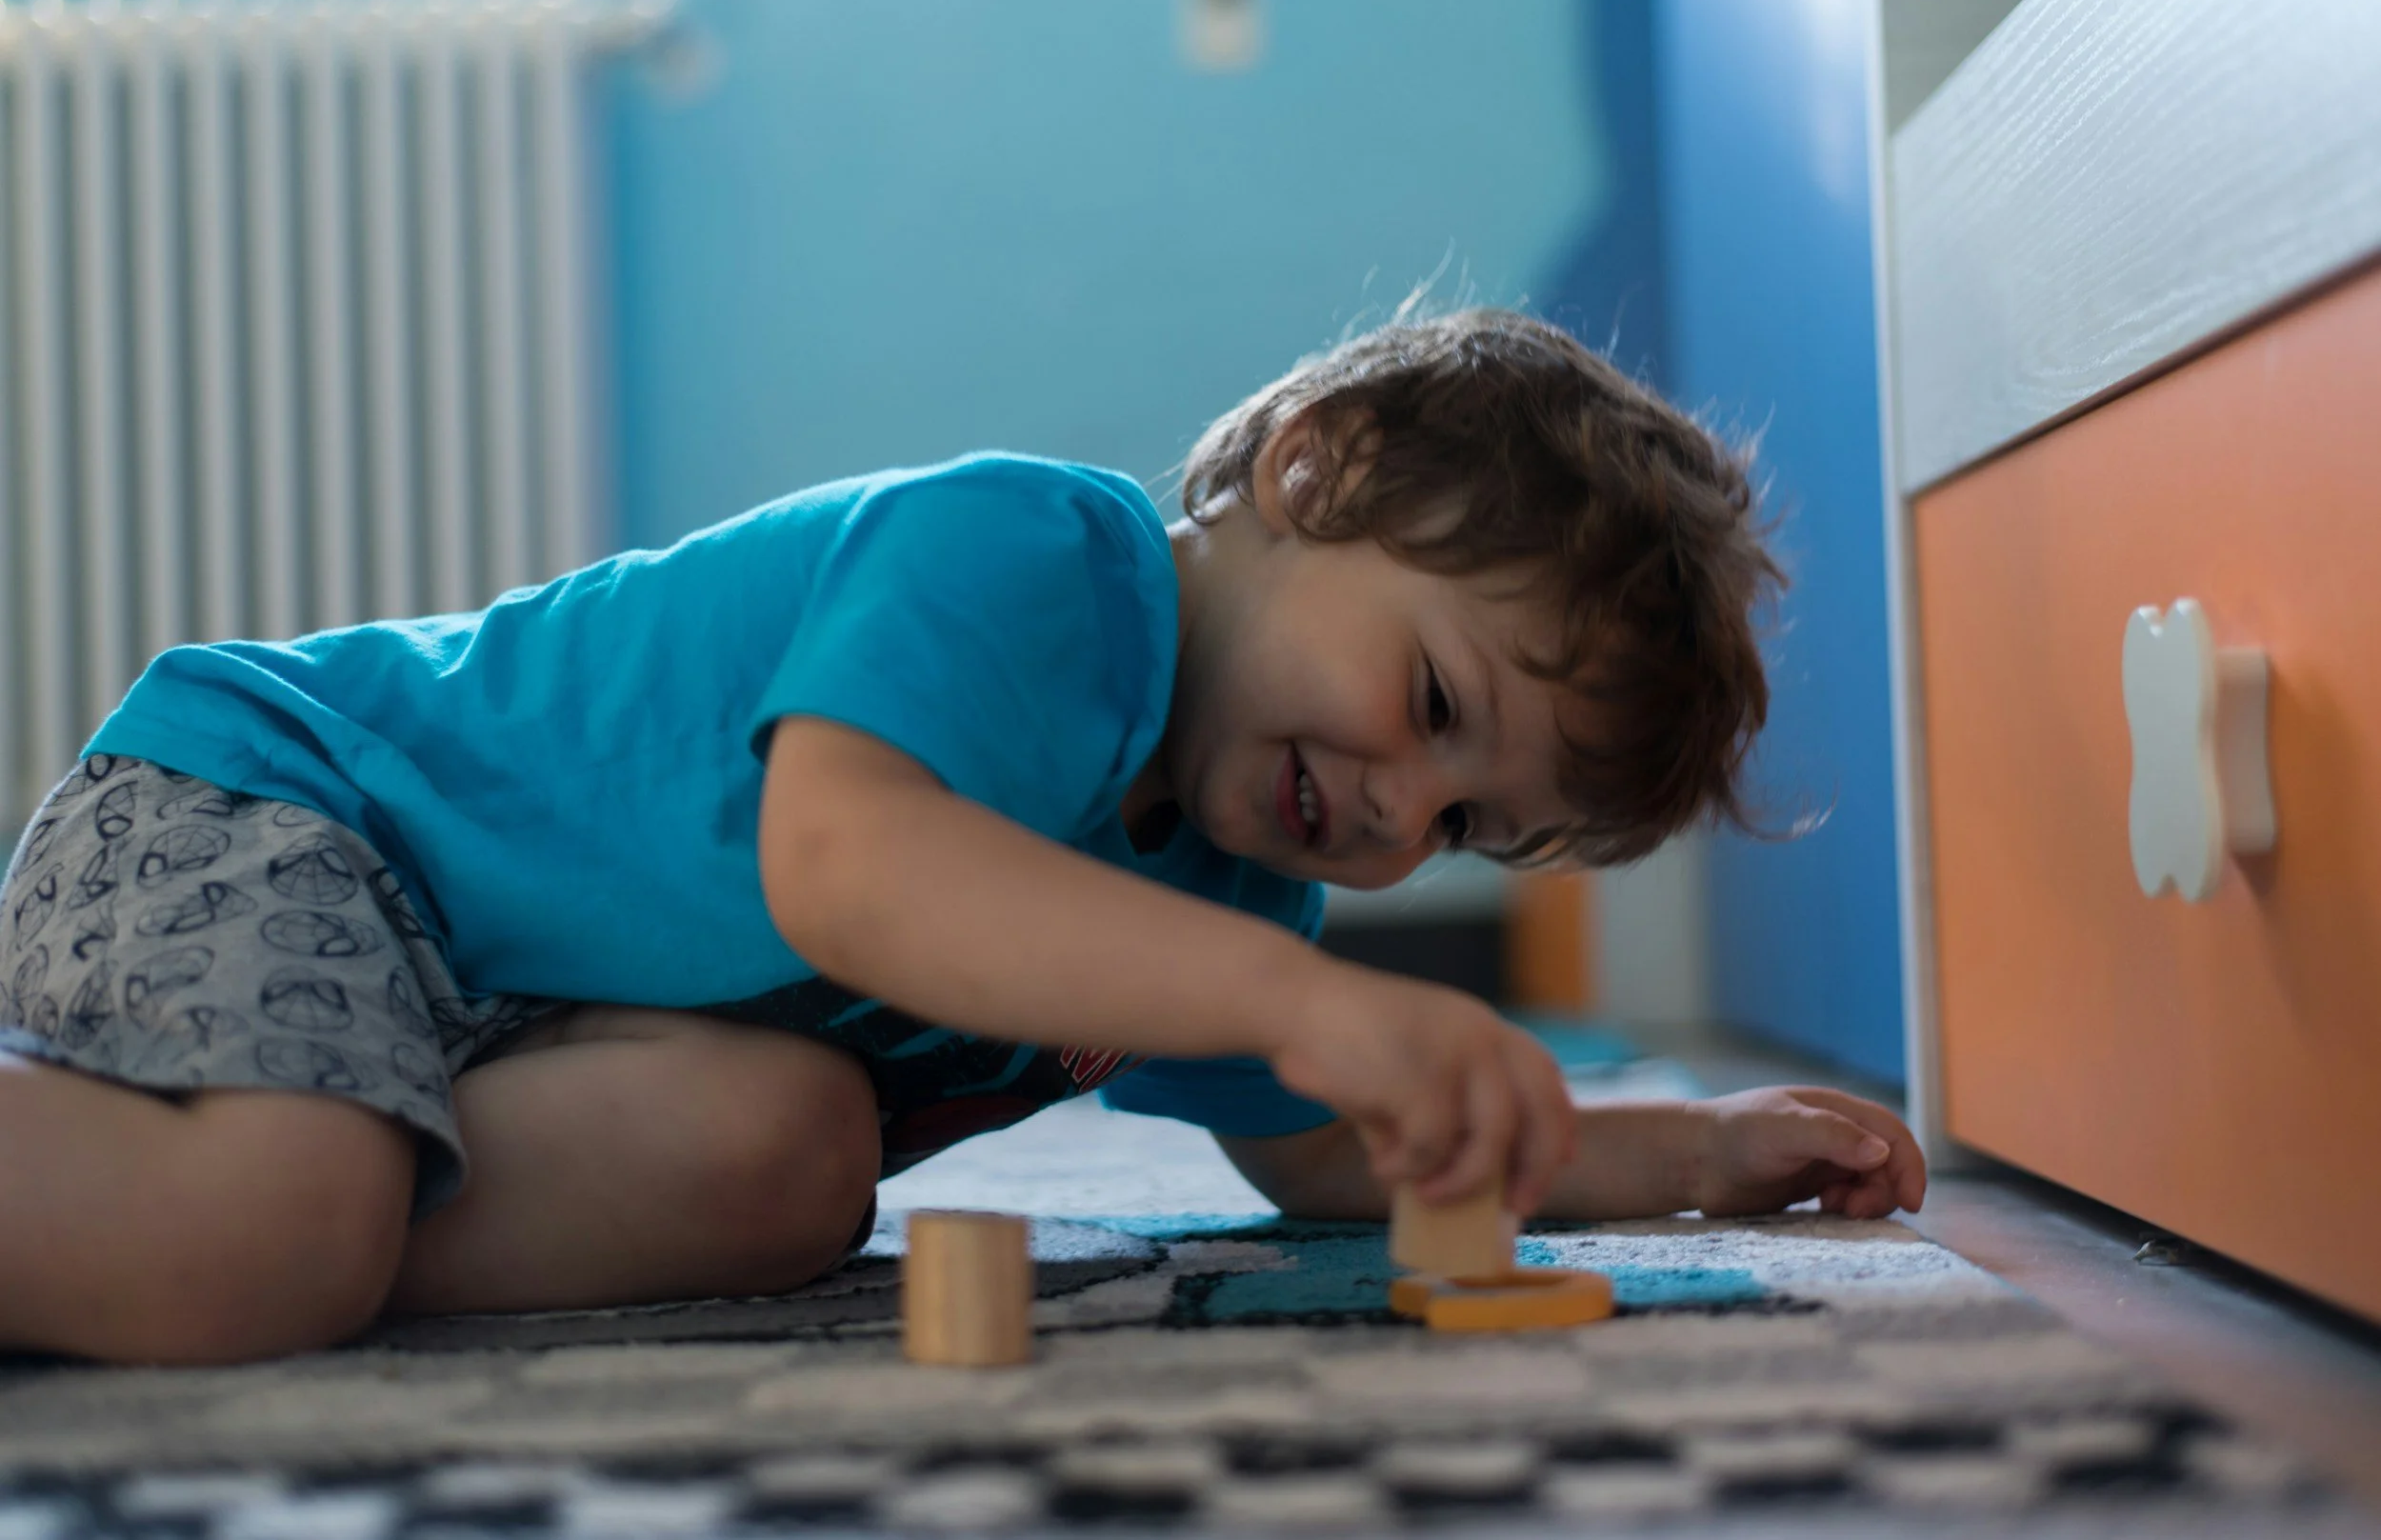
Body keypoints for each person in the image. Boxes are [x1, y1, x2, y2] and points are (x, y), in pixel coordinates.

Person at [0, 307, 1924, 1366]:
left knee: (785, 1162)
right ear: (1305, 470)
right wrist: (1286, 993)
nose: (1398, 816)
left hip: (501, 1022)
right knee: (269, 1241)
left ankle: (175, 1222)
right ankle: (207, 1223)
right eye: (1430, 710)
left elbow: (1334, 1161)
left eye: (1464, 825)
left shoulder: (1223, 871)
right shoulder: (1038, 556)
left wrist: (1675, 1149)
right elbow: (846, 868)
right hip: (287, 808)